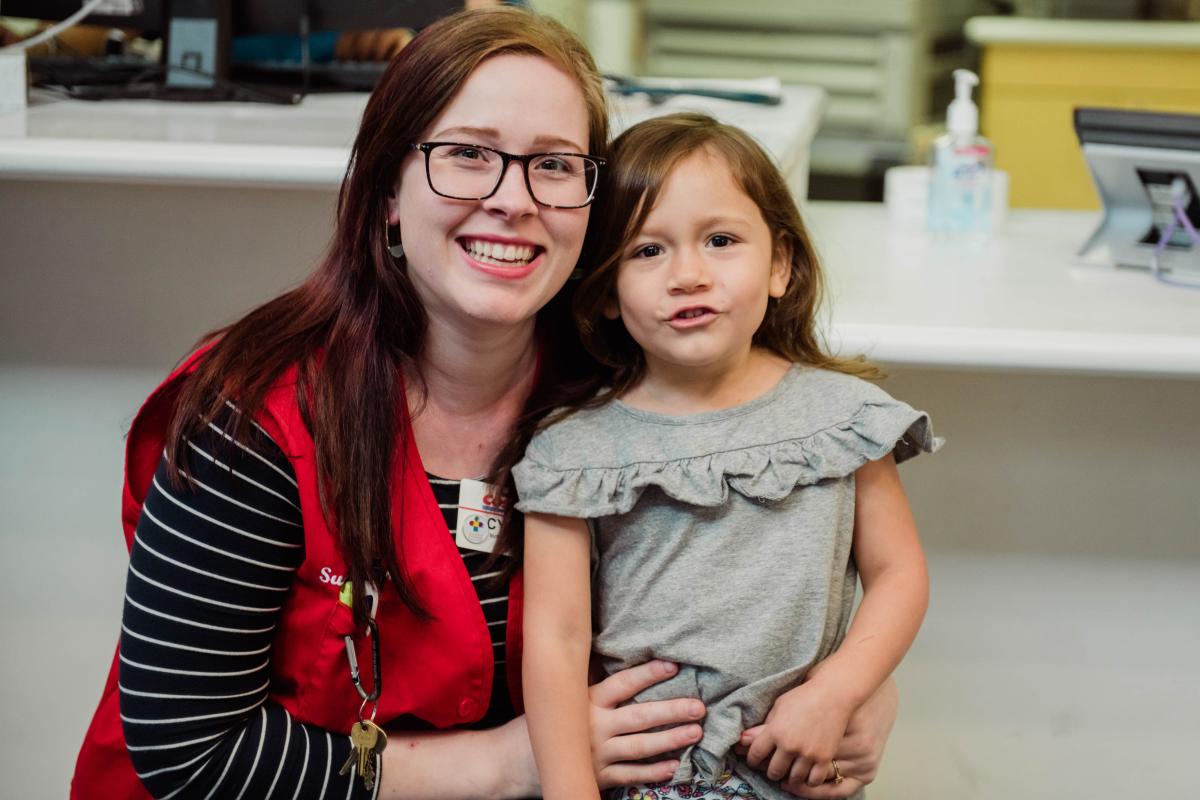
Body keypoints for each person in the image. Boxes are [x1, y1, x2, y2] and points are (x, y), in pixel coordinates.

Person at [70, 8, 899, 799]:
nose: (514, 198)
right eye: (468, 153)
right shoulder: (252, 417)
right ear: (388, 192)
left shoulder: (626, 389)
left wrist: (852, 698)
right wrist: (512, 762)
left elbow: (773, 591)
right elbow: (190, 751)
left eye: (553, 163)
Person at [515, 113, 940, 800]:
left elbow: (899, 575)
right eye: (647, 251)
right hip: (647, 783)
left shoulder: (845, 417)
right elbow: (557, 641)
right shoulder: (571, 450)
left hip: (799, 772)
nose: (688, 274)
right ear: (607, 294)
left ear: (780, 264)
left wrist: (838, 694)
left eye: (720, 240)